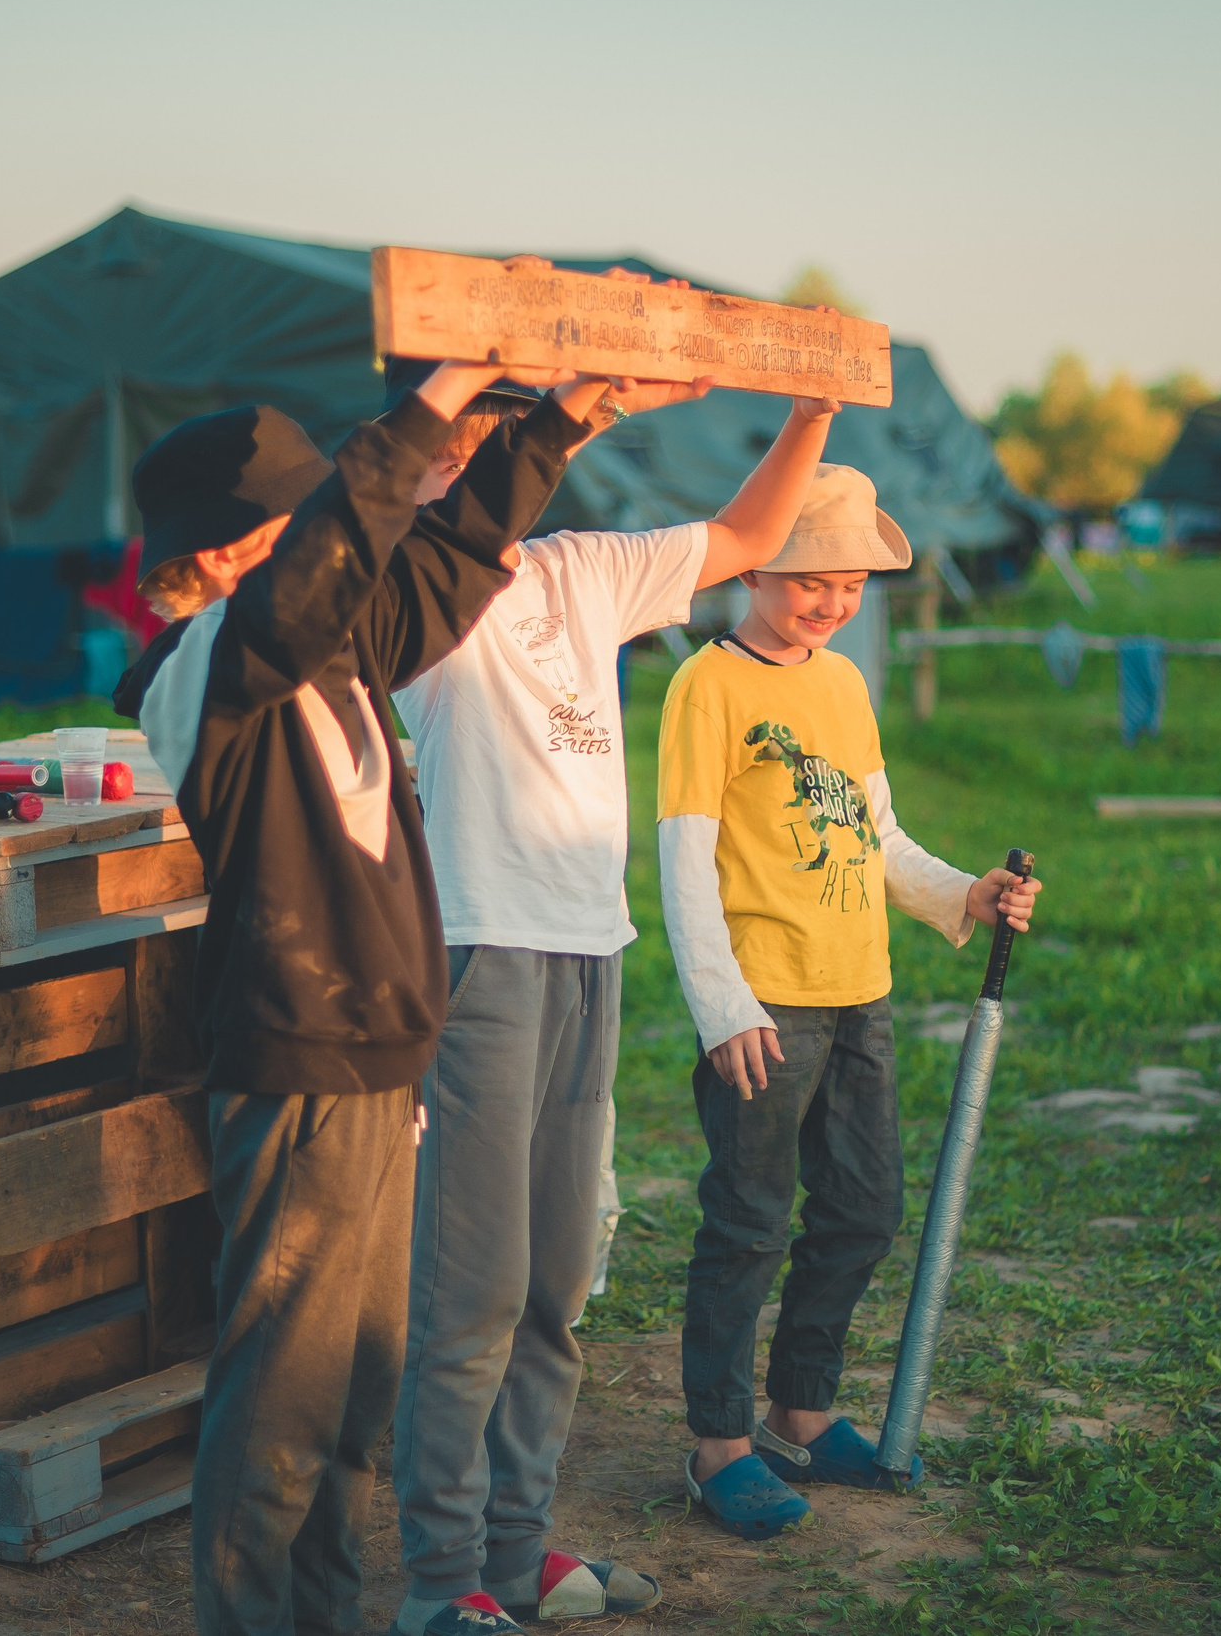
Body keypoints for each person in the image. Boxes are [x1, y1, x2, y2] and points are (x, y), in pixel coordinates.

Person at [112, 348, 612, 1636]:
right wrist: (432, 405)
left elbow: (446, 563)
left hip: (376, 1056)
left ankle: (326, 1617)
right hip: (294, 1058)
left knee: (353, 1390)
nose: (326, 544)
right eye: (291, 523)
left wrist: (557, 424)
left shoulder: (330, 649)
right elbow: (324, 572)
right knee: (283, 1389)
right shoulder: (208, 666)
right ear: (225, 555)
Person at [385, 353, 841, 1634]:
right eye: (456, 443)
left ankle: (520, 1552)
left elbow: (751, 533)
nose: (475, 462)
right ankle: (440, 1586)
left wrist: (809, 409)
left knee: (554, 1287)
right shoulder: (409, 589)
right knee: (470, 1293)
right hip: (476, 950)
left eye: (490, 439)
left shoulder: (582, 567)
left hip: (589, 945)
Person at [654, 469, 1041, 1539]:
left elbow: (880, 839)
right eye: (807, 580)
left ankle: (800, 1413)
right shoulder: (708, 685)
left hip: (856, 992)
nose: (829, 602)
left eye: (850, 583)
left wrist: (963, 893)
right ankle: (719, 1445)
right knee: (748, 1222)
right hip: (763, 1008)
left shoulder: (840, 688)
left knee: (864, 1210)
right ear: (755, 566)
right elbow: (683, 860)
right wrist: (720, 1003)